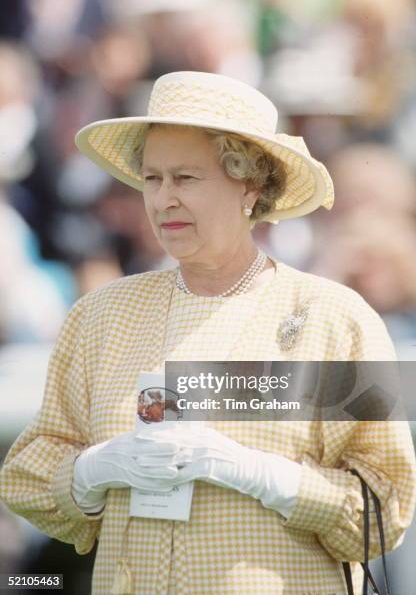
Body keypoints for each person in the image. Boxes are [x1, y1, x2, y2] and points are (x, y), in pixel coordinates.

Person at [0, 71, 415, 595]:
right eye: (153, 179)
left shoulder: (329, 318)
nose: (163, 200)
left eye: (187, 178)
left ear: (250, 186)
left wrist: (266, 477)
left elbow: (385, 510)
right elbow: (27, 475)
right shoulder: (101, 316)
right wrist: (91, 470)